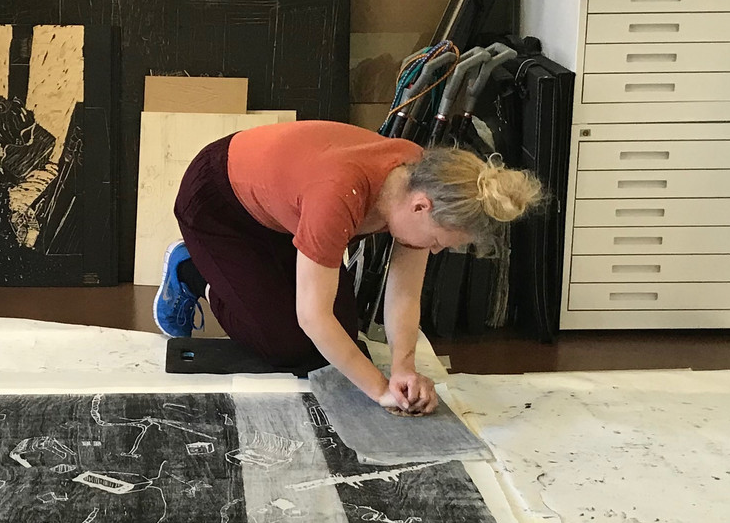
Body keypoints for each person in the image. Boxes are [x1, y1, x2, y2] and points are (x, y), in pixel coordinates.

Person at [154, 119, 544, 414]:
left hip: (287, 211)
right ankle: (194, 270)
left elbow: (405, 292)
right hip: (219, 204)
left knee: (339, 342)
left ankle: (233, 270)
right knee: (287, 344)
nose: (436, 251)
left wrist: (403, 367)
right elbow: (312, 317)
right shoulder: (340, 195)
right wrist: (379, 390)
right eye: (438, 242)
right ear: (420, 206)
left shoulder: (425, 183)